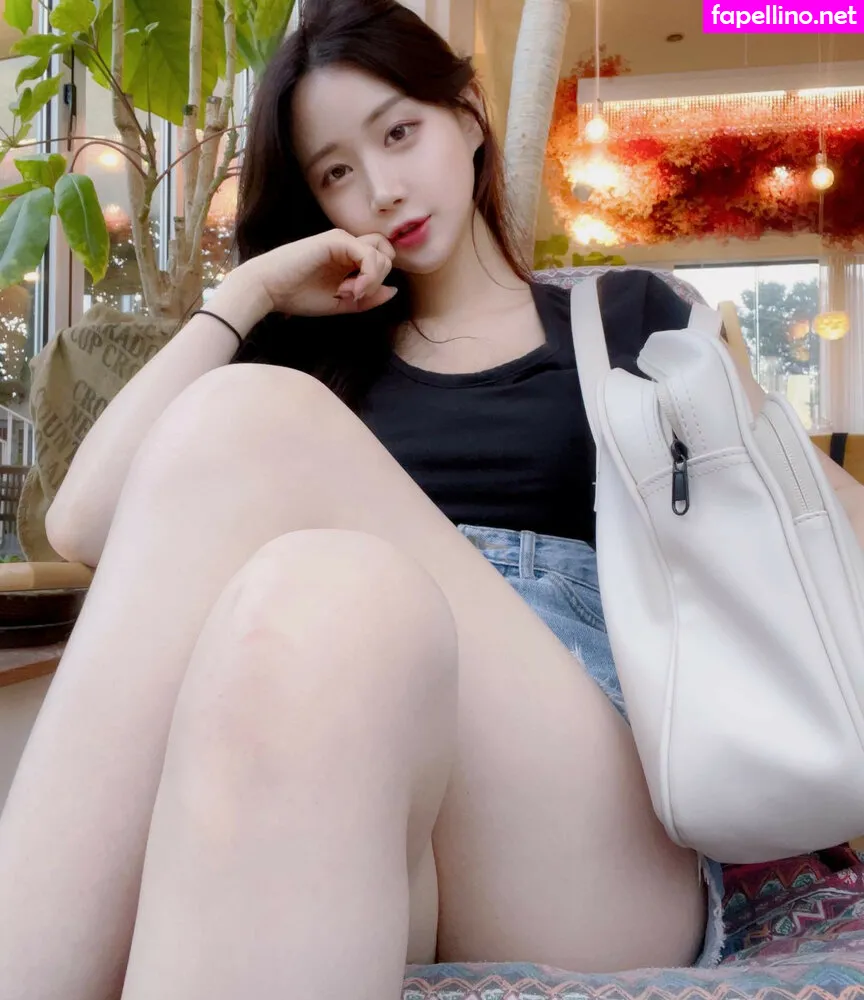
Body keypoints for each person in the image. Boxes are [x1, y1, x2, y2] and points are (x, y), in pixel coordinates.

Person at [2, 1, 863, 998]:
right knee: (328, 592)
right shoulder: (316, 357)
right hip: (386, 793)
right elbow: (85, 522)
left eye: (399, 132)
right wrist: (251, 295)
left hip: (586, 834)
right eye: (335, 172)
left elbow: (817, 521)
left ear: (467, 115)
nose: (380, 190)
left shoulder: (627, 316)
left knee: (261, 428)